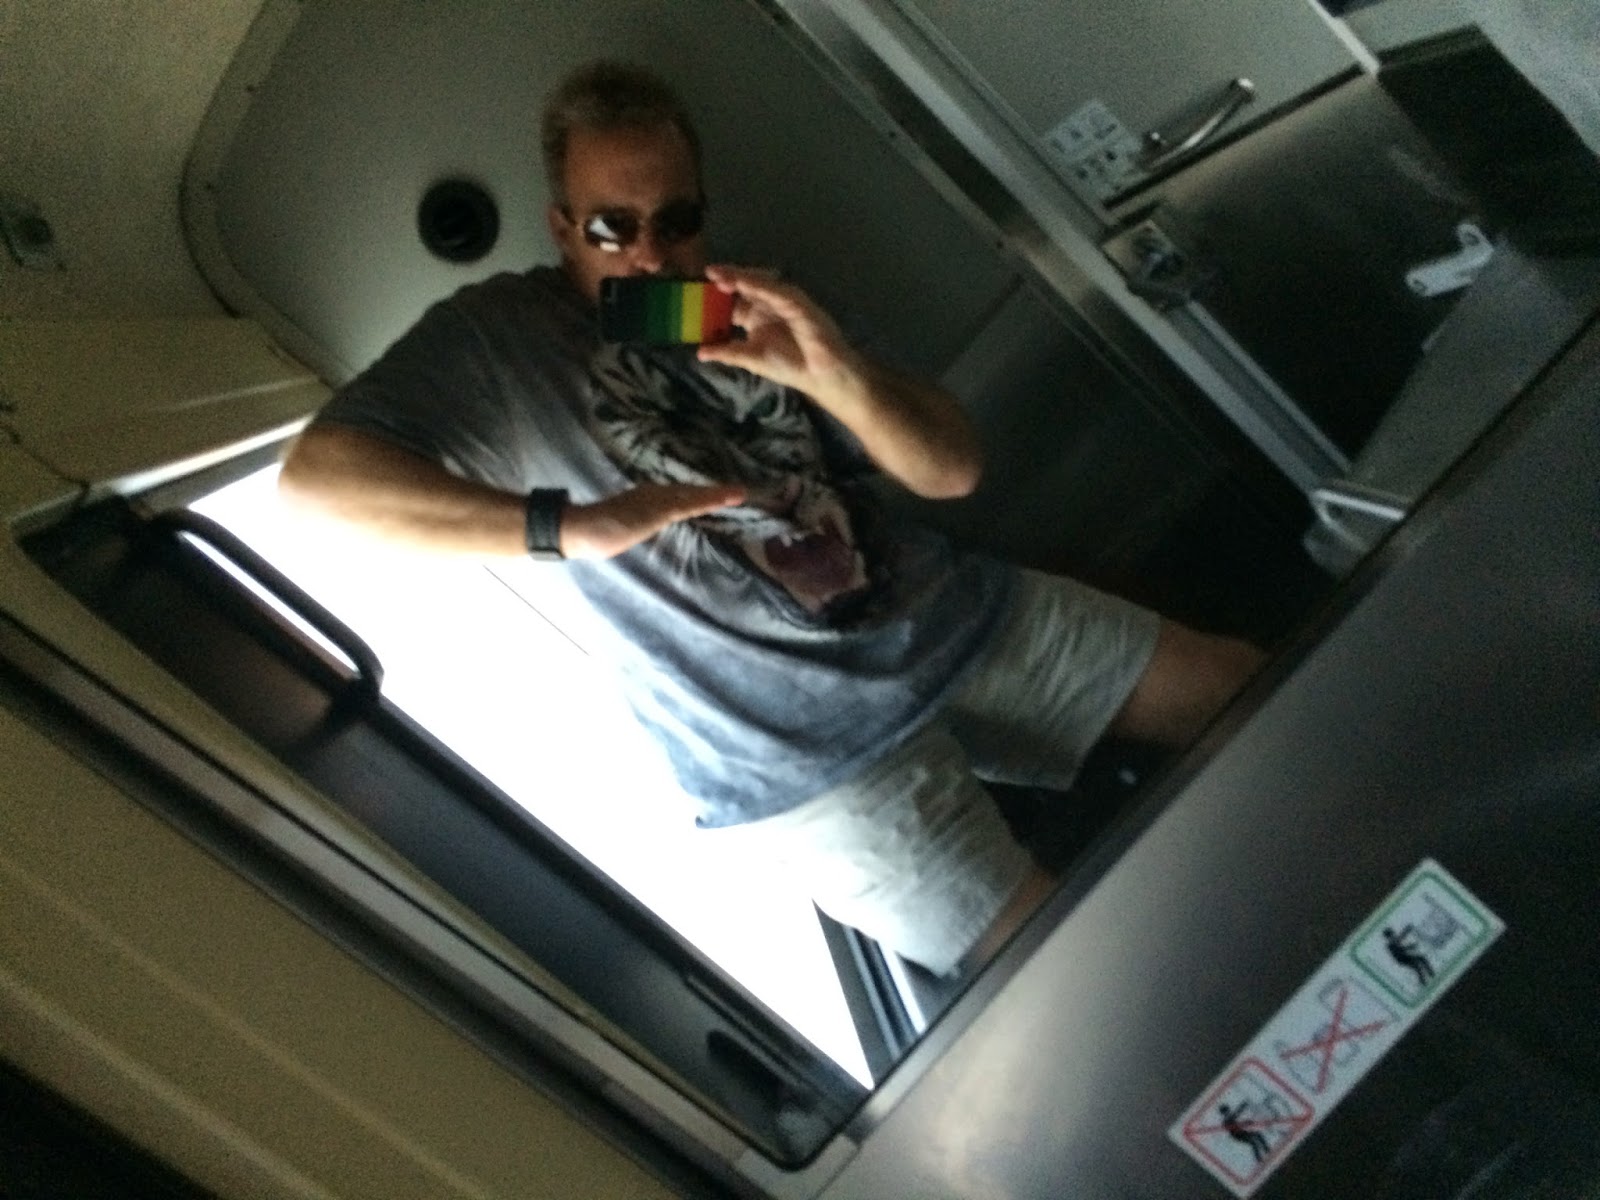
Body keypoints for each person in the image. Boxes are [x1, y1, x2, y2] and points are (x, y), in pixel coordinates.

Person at [278, 61, 1262, 978]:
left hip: (946, 618)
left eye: (676, 221)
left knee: (1242, 689)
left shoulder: (758, 301)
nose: (652, 256)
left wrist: (833, 373)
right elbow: (317, 485)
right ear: (563, 227)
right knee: (1070, 967)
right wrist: (563, 528)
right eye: (613, 228)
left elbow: (951, 469)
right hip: (793, 757)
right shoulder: (500, 340)